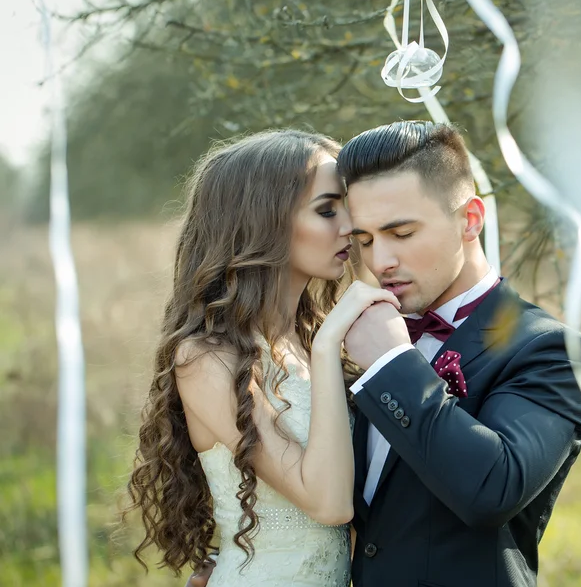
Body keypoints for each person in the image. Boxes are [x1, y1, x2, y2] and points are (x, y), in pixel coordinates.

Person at [126, 129, 401, 586]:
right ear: (262, 221)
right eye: (327, 209)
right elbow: (330, 504)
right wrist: (329, 344)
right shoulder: (206, 358)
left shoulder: (310, 338)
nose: (349, 225)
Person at [336, 121, 581, 587]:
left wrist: (393, 365)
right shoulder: (360, 334)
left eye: (402, 232)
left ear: (470, 219)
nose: (380, 262)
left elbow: (492, 491)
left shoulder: (551, 350)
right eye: (366, 240)